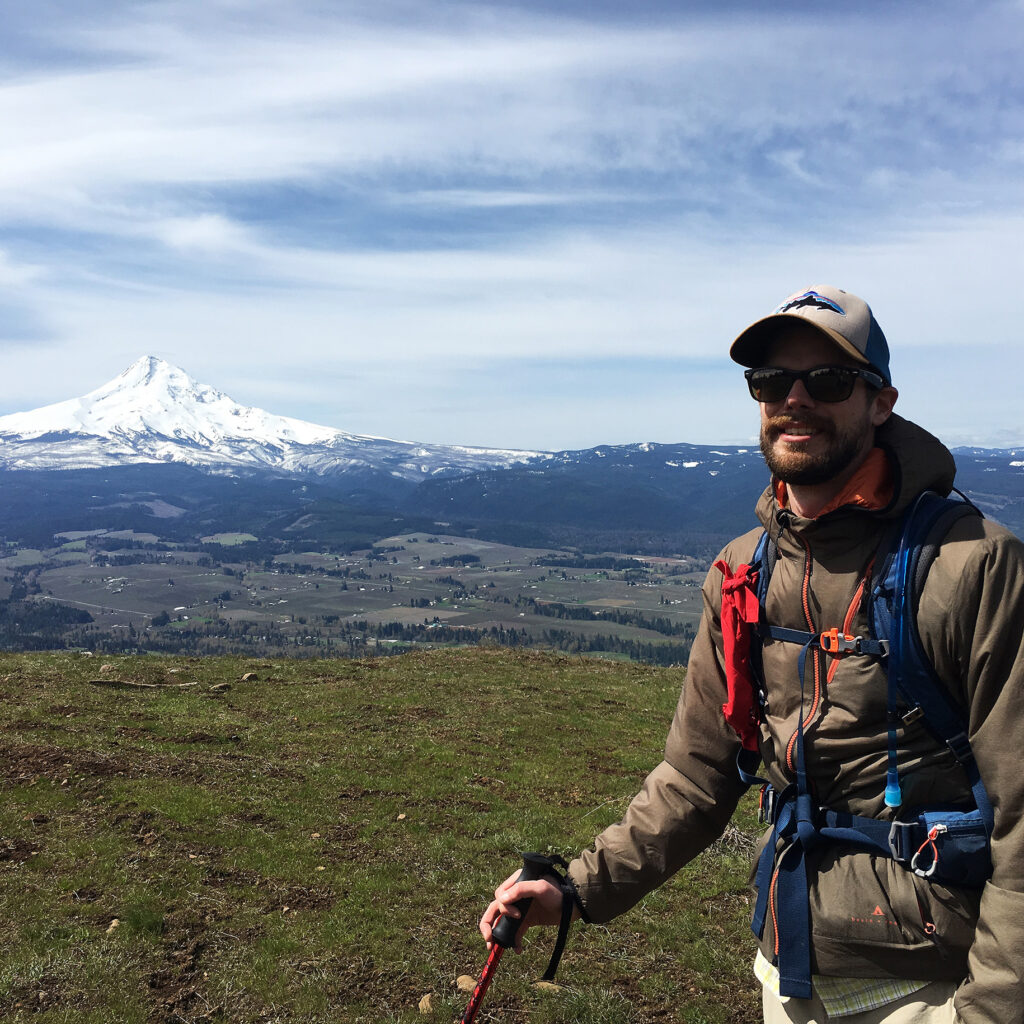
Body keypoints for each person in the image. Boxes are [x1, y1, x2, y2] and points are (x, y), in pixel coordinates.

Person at [480, 286, 1024, 1023]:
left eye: (827, 381)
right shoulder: (742, 573)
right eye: (771, 382)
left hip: (931, 986)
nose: (793, 399)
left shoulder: (975, 566)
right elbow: (697, 773)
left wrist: (992, 1009)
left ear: (881, 402)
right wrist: (579, 887)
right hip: (789, 966)